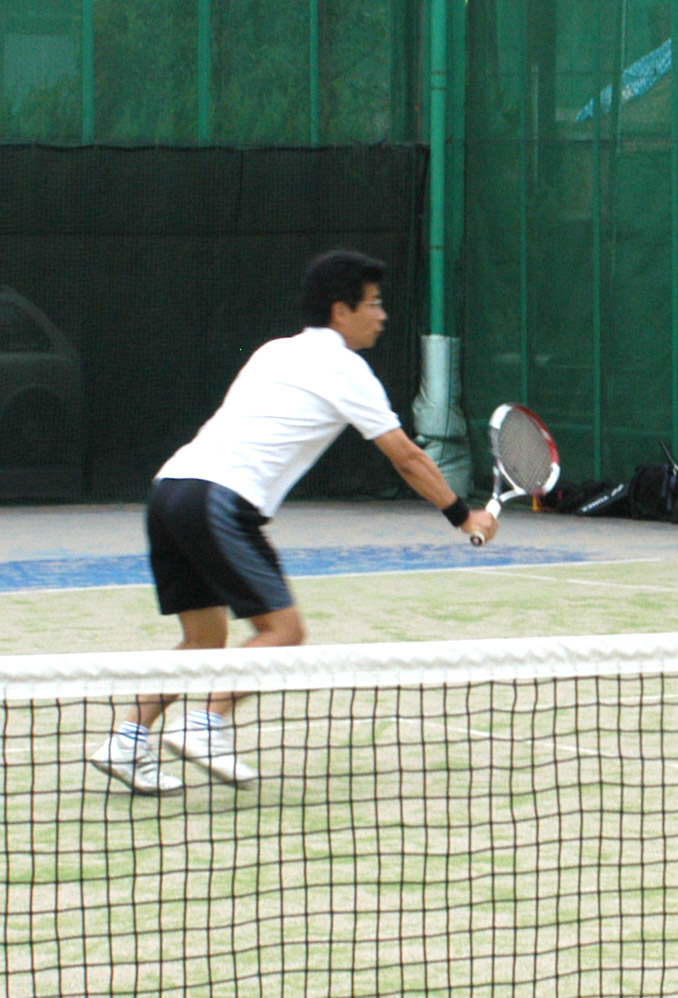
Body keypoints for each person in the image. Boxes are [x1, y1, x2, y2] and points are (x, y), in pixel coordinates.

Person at [89, 250, 497, 795]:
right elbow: (407, 457)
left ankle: (127, 741)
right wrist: (463, 515)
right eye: (373, 304)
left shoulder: (274, 351)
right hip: (217, 500)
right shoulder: (346, 369)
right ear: (341, 311)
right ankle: (204, 724)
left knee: (203, 640)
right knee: (283, 632)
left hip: (170, 491)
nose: (382, 315)